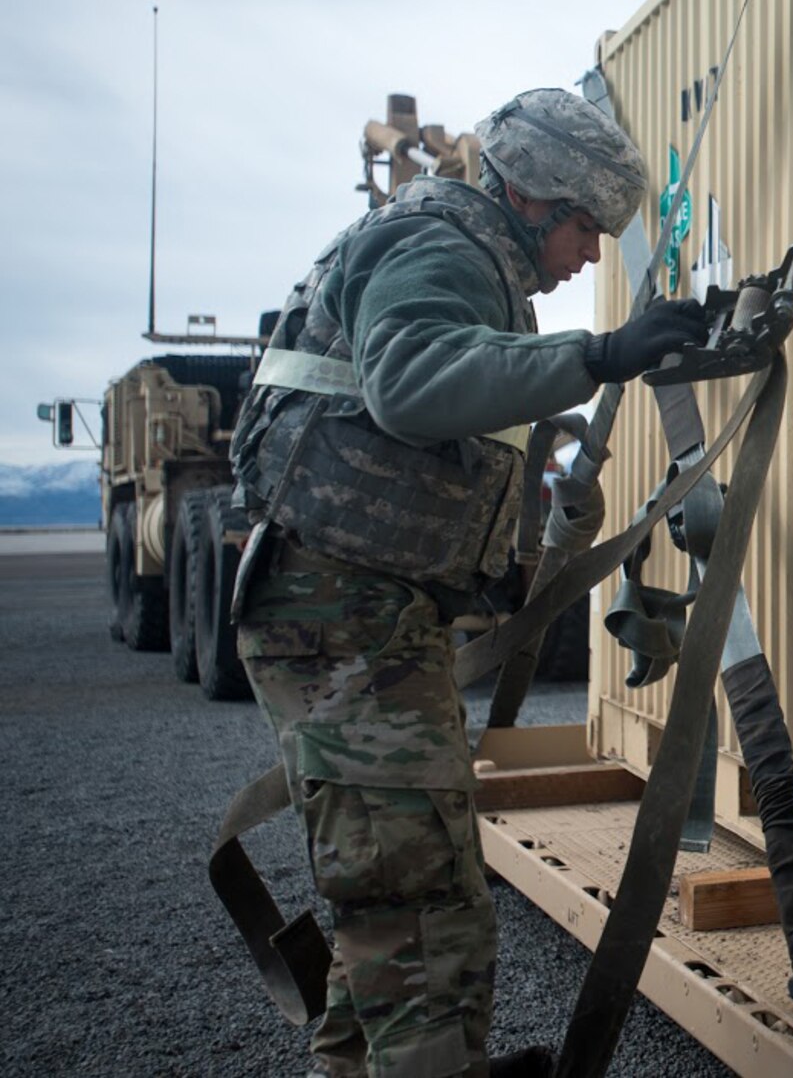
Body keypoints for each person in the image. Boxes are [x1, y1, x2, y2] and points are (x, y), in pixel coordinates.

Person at [228, 88, 706, 1078]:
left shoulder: (464, 251)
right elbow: (408, 381)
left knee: (390, 908)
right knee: (421, 911)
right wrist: (596, 356)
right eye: (585, 229)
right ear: (532, 197)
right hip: (342, 613)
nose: (586, 256)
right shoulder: (443, 243)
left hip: (360, 613)